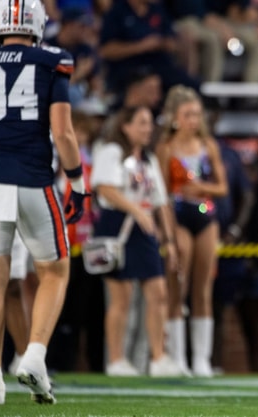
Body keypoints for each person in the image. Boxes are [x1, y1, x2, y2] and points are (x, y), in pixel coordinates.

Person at [0, 0, 87, 405]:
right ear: (37, 24)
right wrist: (78, 181)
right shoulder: (52, 61)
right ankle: (34, 355)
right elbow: (63, 134)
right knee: (55, 271)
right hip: (31, 178)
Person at [90, 106, 182, 378]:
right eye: (141, 123)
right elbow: (104, 188)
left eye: (149, 123)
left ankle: (158, 357)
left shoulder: (150, 160)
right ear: (125, 126)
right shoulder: (112, 152)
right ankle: (116, 359)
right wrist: (137, 210)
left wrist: (171, 241)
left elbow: (161, 202)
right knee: (121, 298)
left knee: (158, 292)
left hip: (144, 229)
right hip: (116, 223)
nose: (147, 128)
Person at [156, 85, 228, 377]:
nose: (193, 120)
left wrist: (202, 188)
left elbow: (222, 187)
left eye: (197, 114)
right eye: (187, 114)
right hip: (179, 214)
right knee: (178, 285)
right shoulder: (166, 148)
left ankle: (201, 358)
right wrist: (168, 233)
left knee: (203, 288)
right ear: (175, 117)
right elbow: (161, 194)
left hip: (205, 214)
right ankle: (177, 357)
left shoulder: (208, 146)